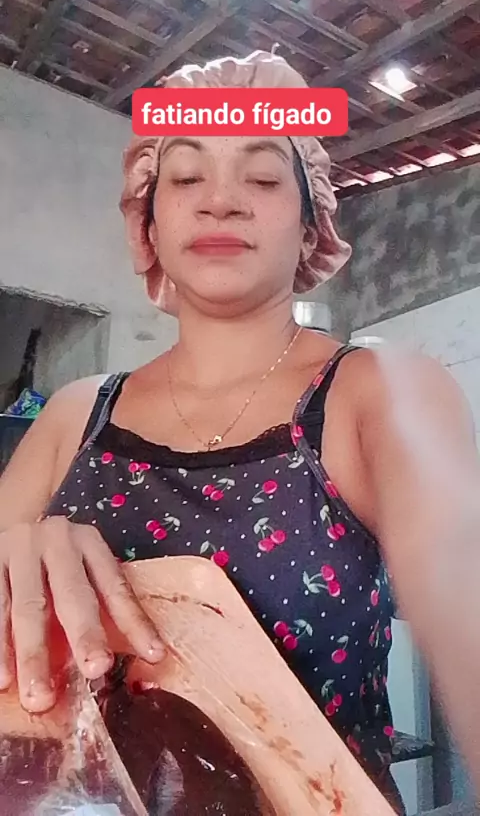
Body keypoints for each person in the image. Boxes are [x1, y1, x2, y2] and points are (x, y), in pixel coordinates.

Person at [0, 50, 479, 814]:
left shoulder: (378, 393)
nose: (221, 201)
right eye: (187, 177)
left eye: (260, 178)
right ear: (147, 221)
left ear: (312, 225)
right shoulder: (73, 417)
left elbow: (465, 588)